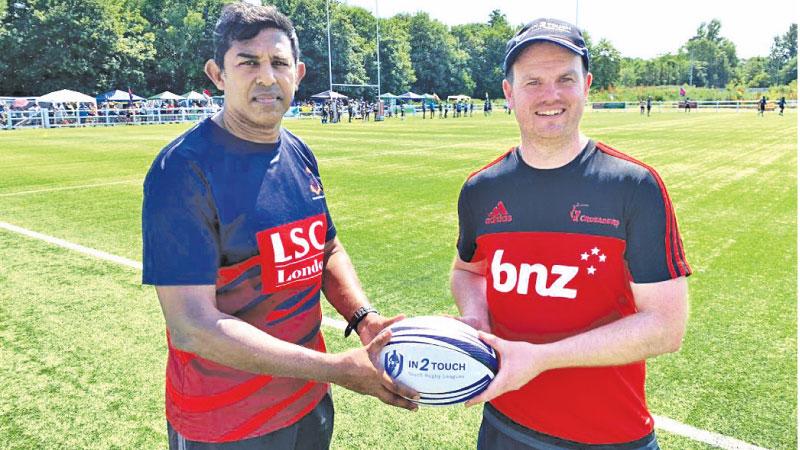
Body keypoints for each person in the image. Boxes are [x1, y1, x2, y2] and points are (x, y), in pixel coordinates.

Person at [142, 4, 417, 449]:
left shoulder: (298, 151)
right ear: (217, 74)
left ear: (298, 73)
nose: (267, 77)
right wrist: (337, 369)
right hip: (227, 424)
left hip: (307, 405)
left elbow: (325, 249)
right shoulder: (182, 171)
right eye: (248, 62)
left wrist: (363, 318)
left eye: (278, 63)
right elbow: (191, 325)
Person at [451, 18, 690, 450]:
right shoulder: (481, 189)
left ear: (587, 85)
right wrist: (476, 316)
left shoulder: (634, 186)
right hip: (502, 424)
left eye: (565, 78)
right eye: (533, 81)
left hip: (609, 436)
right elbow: (467, 270)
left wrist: (540, 359)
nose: (551, 95)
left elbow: (666, 326)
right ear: (508, 92)